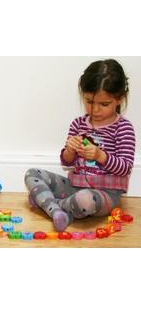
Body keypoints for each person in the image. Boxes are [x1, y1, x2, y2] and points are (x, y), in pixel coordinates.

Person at [25, 59, 135, 232]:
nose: (95, 110)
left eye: (104, 104)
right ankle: (59, 210)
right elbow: (67, 163)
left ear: (119, 99)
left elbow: (125, 168)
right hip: (74, 186)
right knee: (32, 173)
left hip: (104, 194)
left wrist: (100, 156)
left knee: (85, 200)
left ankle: (49, 205)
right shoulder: (78, 124)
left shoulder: (123, 128)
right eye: (89, 102)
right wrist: (69, 150)